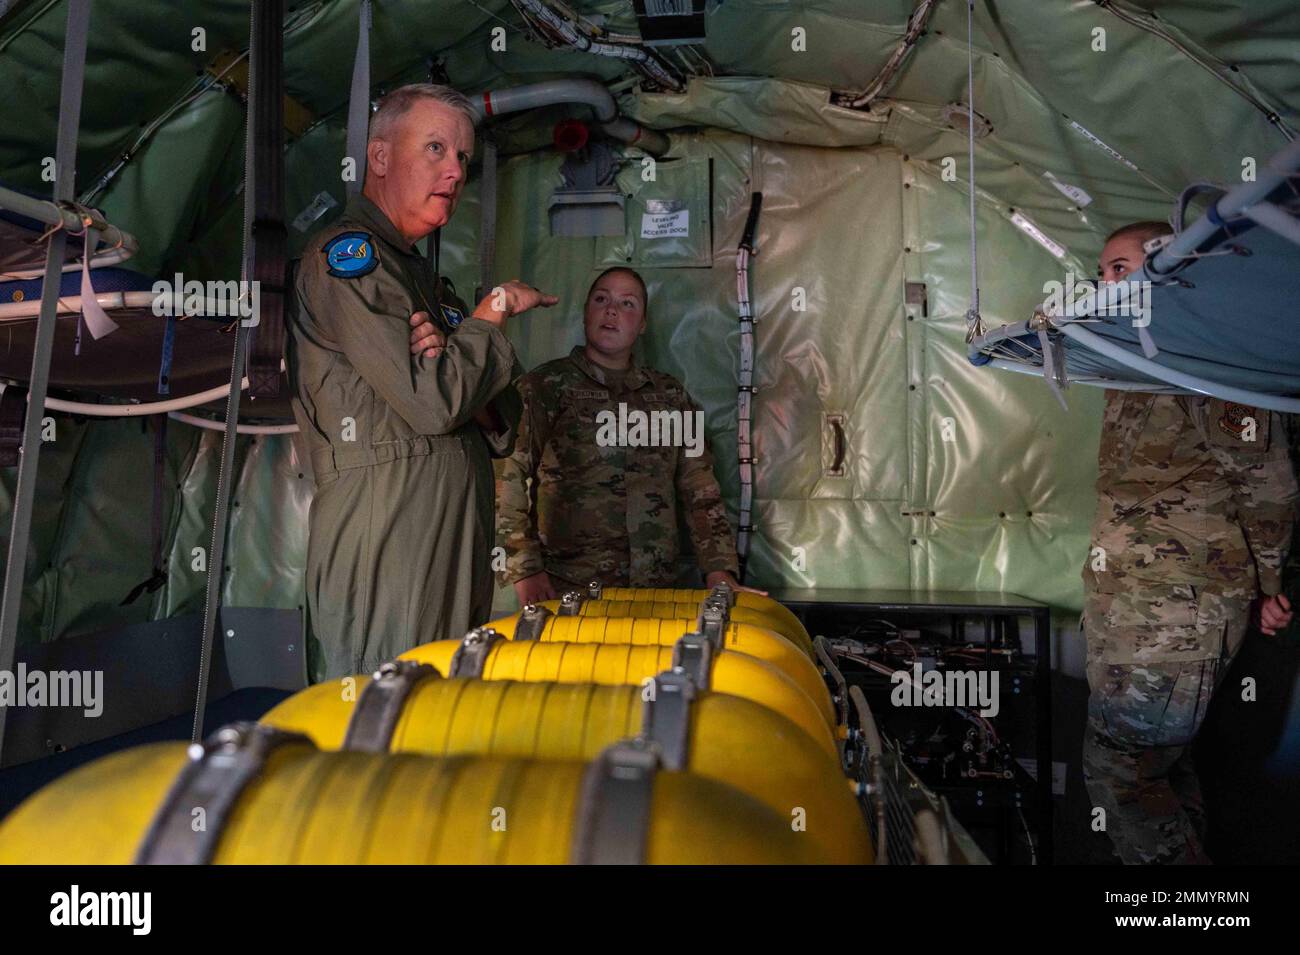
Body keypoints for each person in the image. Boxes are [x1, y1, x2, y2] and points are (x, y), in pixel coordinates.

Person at [288, 83, 556, 680]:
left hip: (453, 533)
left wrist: (456, 357)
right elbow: (436, 404)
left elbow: (502, 423)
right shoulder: (350, 259)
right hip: (389, 533)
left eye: (462, 157)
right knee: (383, 717)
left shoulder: (428, 285)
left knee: (444, 715)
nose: (455, 171)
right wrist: (495, 311)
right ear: (380, 158)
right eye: (435, 148)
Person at [1080, 220, 1297, 864]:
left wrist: (1271, 585)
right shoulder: (1138, 362)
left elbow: (1269, 487)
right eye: (1101, 271)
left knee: (1121, 772)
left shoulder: (1212, 362)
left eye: (1119, 268)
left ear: (1164, 267)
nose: (1104, 283)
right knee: (1160, 771)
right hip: (1130, 611)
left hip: (1178, 615)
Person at [496, 267, 762, 604]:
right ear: (585, 313)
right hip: (568, 591)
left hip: (656, 592)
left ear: (643, 325)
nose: (612, 310)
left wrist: (719, 570)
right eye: (601, 299)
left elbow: (700, 488)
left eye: (628, 304)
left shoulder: (671, 397)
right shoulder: (544, 387)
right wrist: (524, 568)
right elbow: (508, 477)